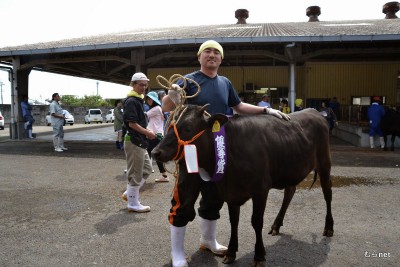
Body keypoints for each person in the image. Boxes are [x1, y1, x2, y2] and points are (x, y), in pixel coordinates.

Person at [162, 40, 290, 267]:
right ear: (199, 57)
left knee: (214, 197)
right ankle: (177, 253)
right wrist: (172, 95)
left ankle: (208, 240)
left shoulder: (225, 82)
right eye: (207, 52)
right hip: (192, 150)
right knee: (183, 200)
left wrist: (266, 110)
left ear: (221, 59)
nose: (212, 55)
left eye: (216, 53)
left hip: (219, 150)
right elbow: (166, 107)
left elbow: (238, 107)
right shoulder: (187, 81)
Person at [122, 72, 156, 213]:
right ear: (133, 84)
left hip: (140, 141)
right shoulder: (131, 101)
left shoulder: (138, 100)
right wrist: (147, 132)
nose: (144, 87)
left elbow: (139, 122)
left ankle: (128, 194)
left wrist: (147, 131)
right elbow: (132, 124)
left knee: (147, 169)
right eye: (141, 85)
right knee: (135, 173)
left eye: (145, 85)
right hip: (134, 140)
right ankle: (133, 203)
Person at [145, 91, 169, 182]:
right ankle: (164, 175)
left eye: (150, 99)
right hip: (155, 134)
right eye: (148, 99)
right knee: (155, 155)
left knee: (147, 153)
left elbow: (144, 116)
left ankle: (143, 173)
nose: (149, 100)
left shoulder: (156, 108)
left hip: (155, 135)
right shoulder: (157, 108)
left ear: (154, 100)